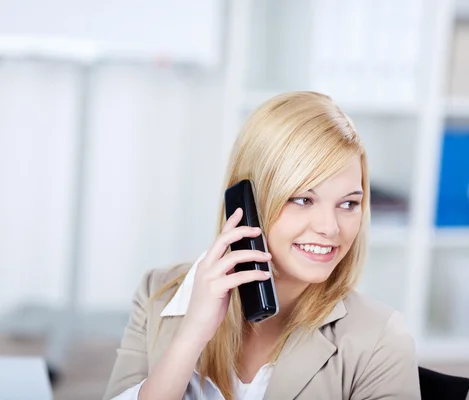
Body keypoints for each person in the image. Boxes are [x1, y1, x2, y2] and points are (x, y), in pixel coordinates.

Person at [103, 91, 421, 400]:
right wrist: (193, 333)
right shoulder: (159, 295)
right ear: (247, 202)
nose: (330, 228)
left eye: (348, 204)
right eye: (303, 199)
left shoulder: (380, 338)